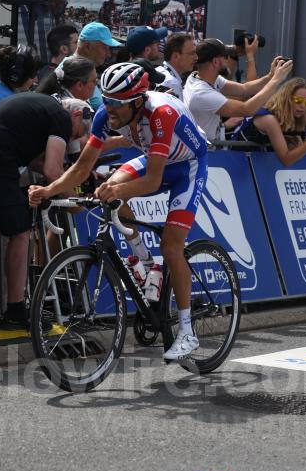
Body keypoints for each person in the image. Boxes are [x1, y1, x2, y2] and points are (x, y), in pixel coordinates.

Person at [29, 62, 213, 359]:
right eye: (106, 99)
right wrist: (48, 191)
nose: (109, 108)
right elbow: (82, 166)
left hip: (188, 167)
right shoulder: (107, 114)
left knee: (171, 246)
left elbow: (153, 178)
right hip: (157, 159)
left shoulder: (161, 115)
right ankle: (143, 260)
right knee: (112, 184)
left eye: (117, 103)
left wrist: (116, 191)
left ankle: (187, 331)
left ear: (138, 101)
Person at [0, 94, 90, 329]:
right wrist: (74, 199)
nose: (72, 140)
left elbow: (33, 159)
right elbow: (51, 171)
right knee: (20, 233)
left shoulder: (40, 107)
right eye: (75, 134)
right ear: (76, 115)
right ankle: (16, 310)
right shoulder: (60, 116)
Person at [182, 37, 292, 144]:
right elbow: (247, 109)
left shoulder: (198, 76)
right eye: (225, 56)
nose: (228, 58)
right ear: (215, 62)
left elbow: (244, 89)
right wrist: (276, 80)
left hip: (207, 144)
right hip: (205, 150)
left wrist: (270, 76)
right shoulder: (201, 94)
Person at [232, 78, 306, 166]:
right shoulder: (269, 119)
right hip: (237, 163)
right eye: (298, 100)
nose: (303, 106)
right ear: (286, 98)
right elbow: (286, 160)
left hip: (253, 164)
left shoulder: (285, 117)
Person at [74, 21, 122, 109]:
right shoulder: (72, 73)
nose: (108, 54)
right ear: (87, 47)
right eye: (105, 48)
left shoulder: (81, 69)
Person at [36, 24, 78, 88]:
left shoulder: (47, 72)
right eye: (76, 42)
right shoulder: (54, 78)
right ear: (64, 49)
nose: (79, 46)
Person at [155, 32, 197, 98]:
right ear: (175, 56)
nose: (196, 58)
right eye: (192, 53)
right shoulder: (171, 83)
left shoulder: (159, 71)